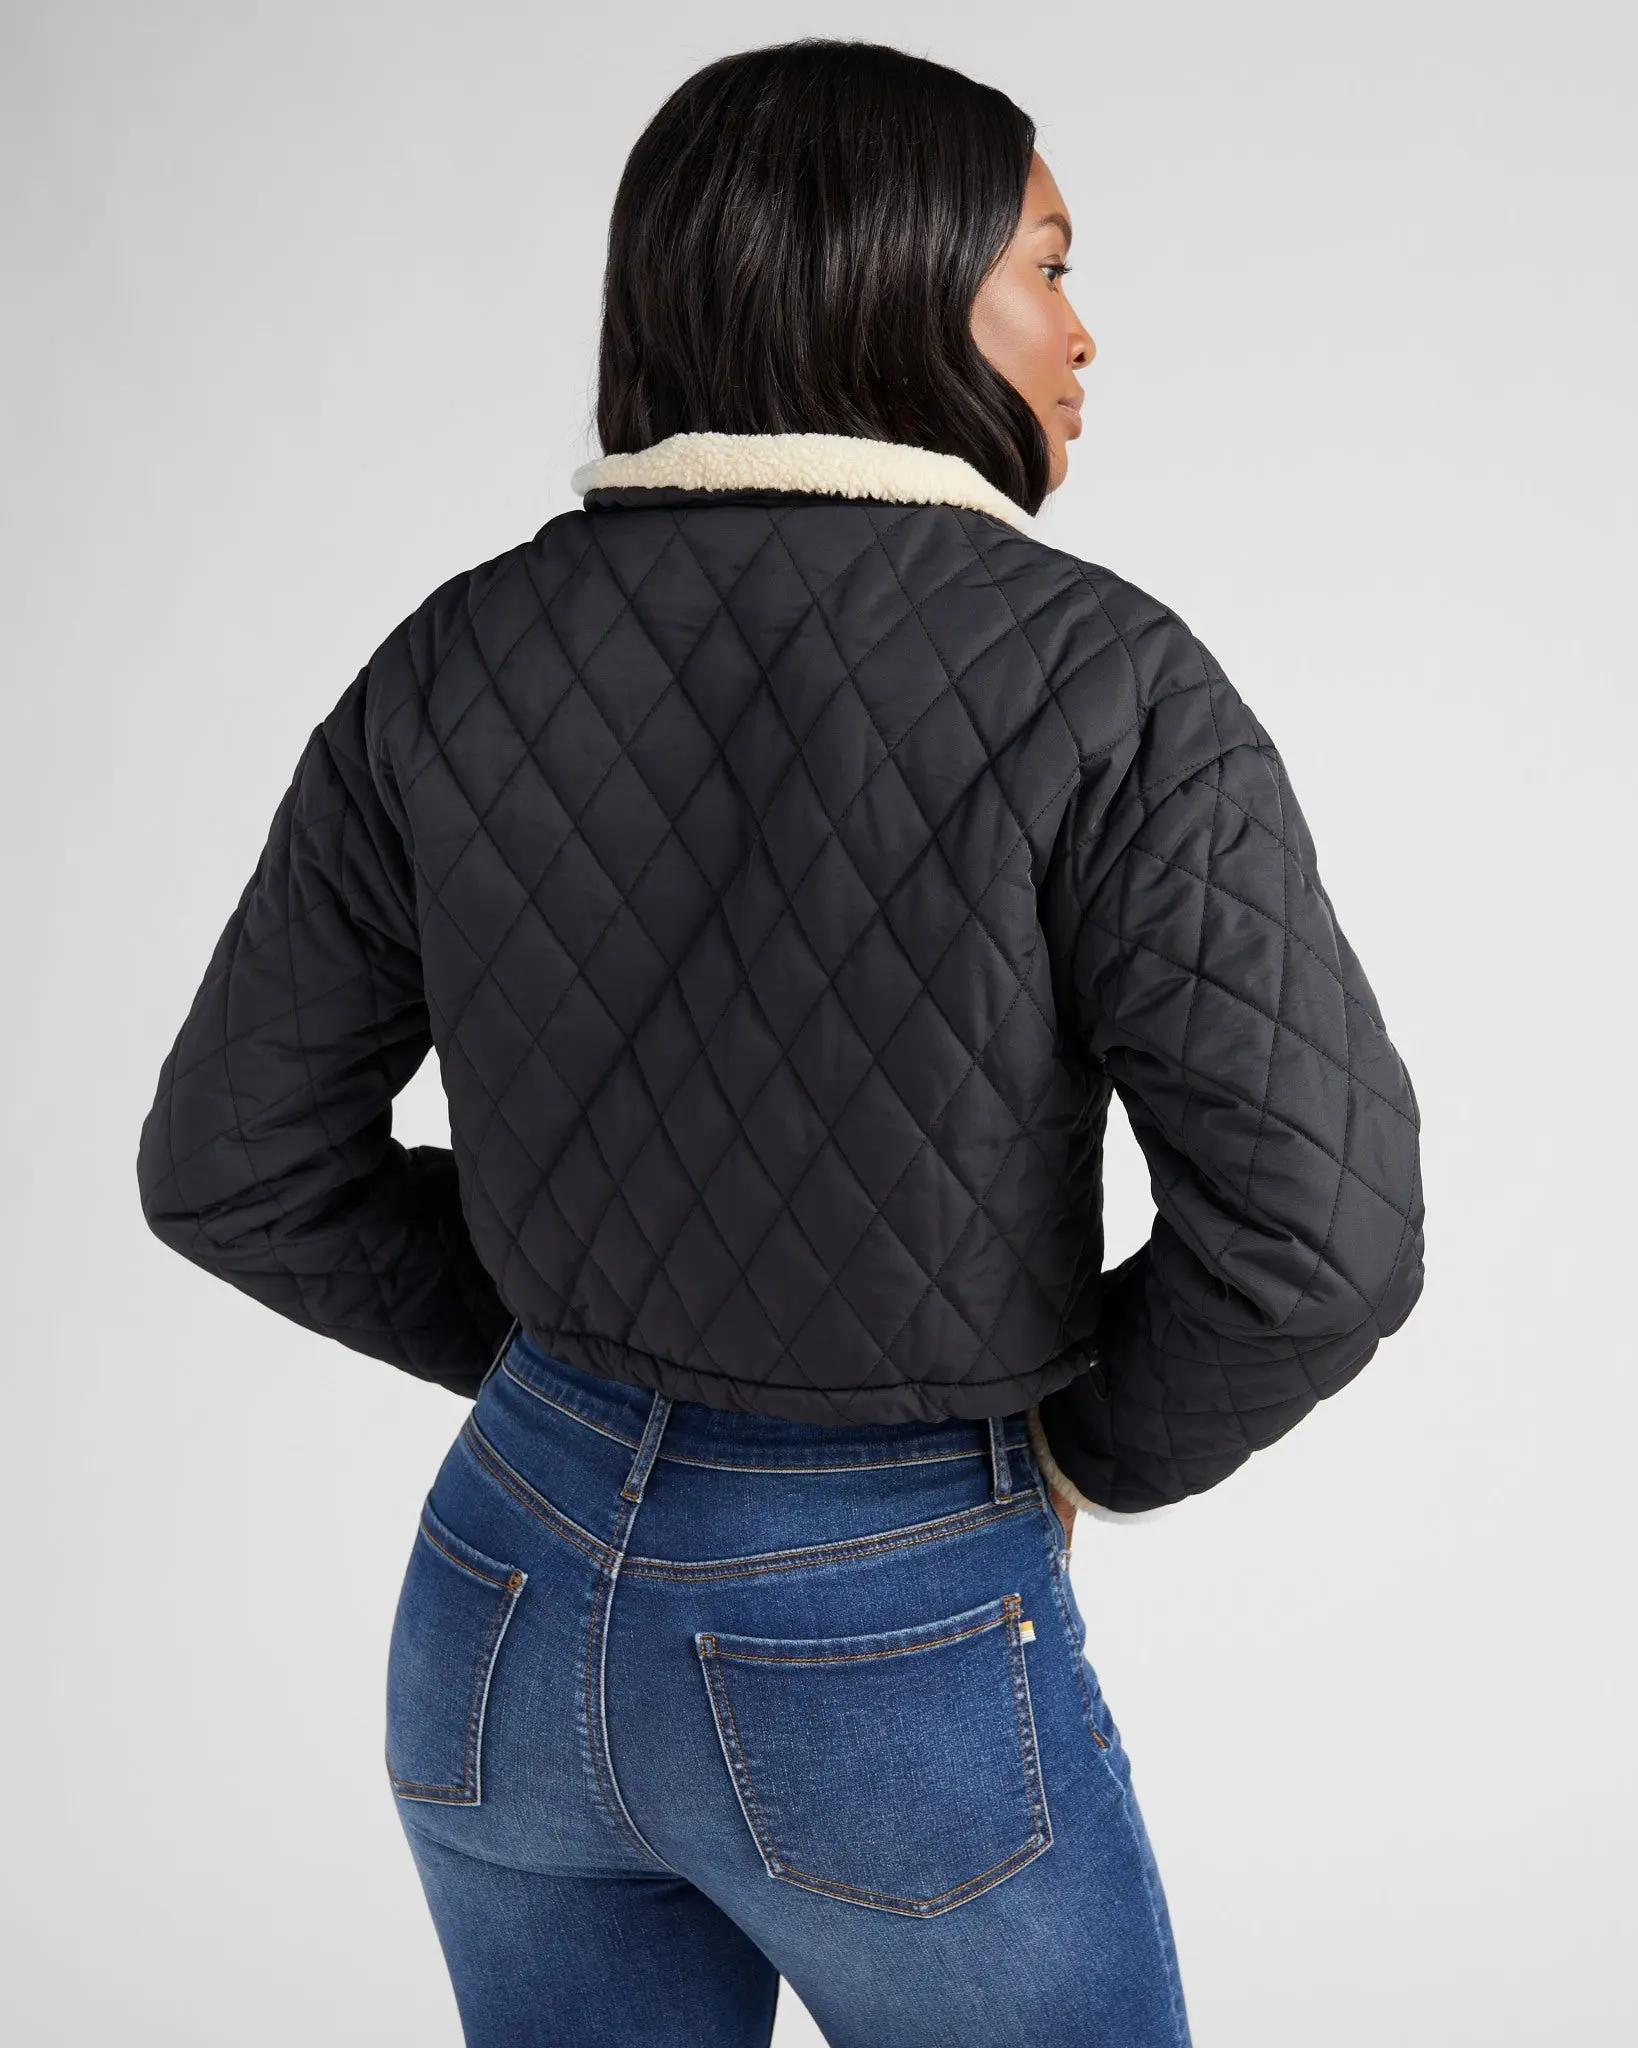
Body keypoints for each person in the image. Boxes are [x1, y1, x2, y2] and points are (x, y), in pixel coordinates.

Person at [135, 36, 1424, 2048]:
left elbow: (230, 1161)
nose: (1083, 332)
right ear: (894, 284)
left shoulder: (453, 651)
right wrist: (1081, 1445)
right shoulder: (1110, 683)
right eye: (1047, 266)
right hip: (879, 1621)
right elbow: (1321, 1239)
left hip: (498, 1592)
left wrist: (573, 1373)